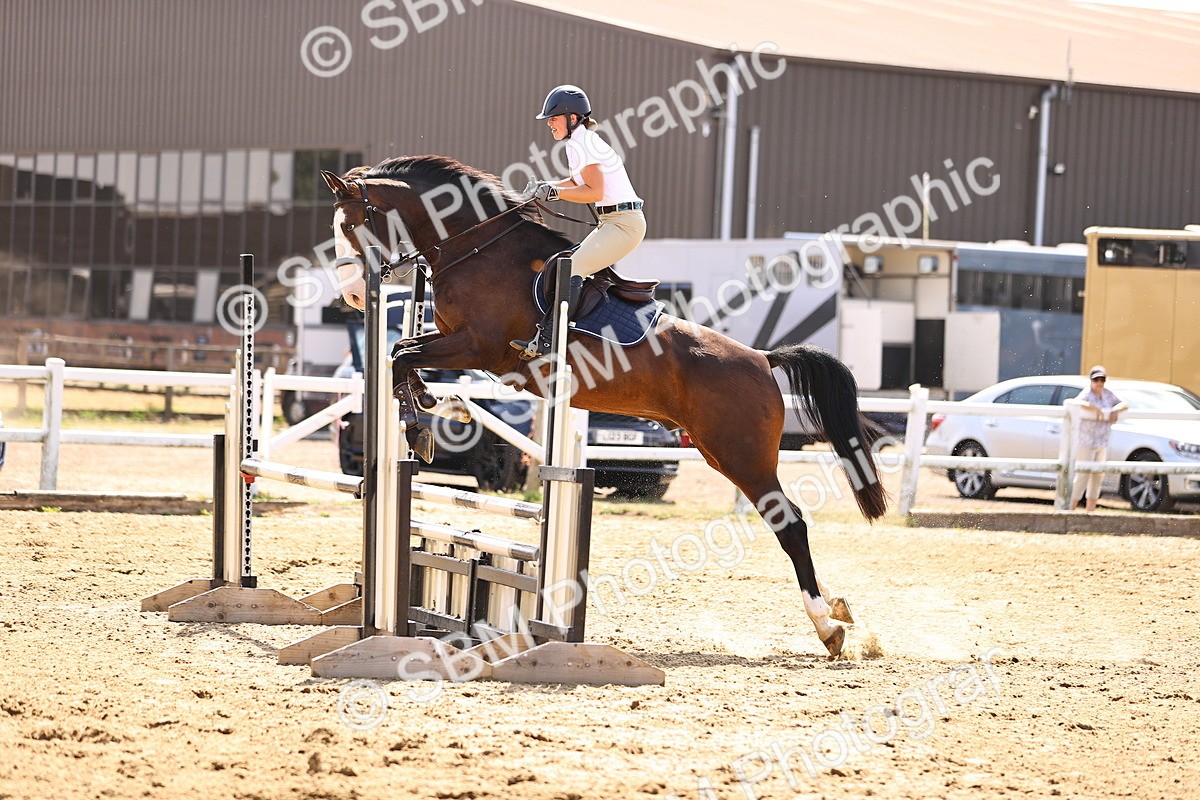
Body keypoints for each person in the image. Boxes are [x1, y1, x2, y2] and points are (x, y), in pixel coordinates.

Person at [510, 84, 647, 359]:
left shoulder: (584, 143)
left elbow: (593, 192)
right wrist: (546, 187)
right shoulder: (577, 143)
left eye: (554, 118)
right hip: (612, 221)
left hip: (624, 224)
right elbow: (577, 183)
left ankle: (550, 341)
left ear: (572, 118)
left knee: (572, 269)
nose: (549, 123)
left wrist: (556, 193)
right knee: (563, 265)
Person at [1070, 365, 1128, 512]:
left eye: (1102, 379)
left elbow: (1125, 403)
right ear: (1091, 380)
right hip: (1085, 441)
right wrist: (1094, 407)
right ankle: (1070, 509)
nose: (1099, 383)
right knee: (1082, 475)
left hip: (1102, 441)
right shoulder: (1086, 394)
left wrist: (1115, 410)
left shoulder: (1108, 394)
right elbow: (1076, 403)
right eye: (1096, 380)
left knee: (1098, 476)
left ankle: (1090, 511)